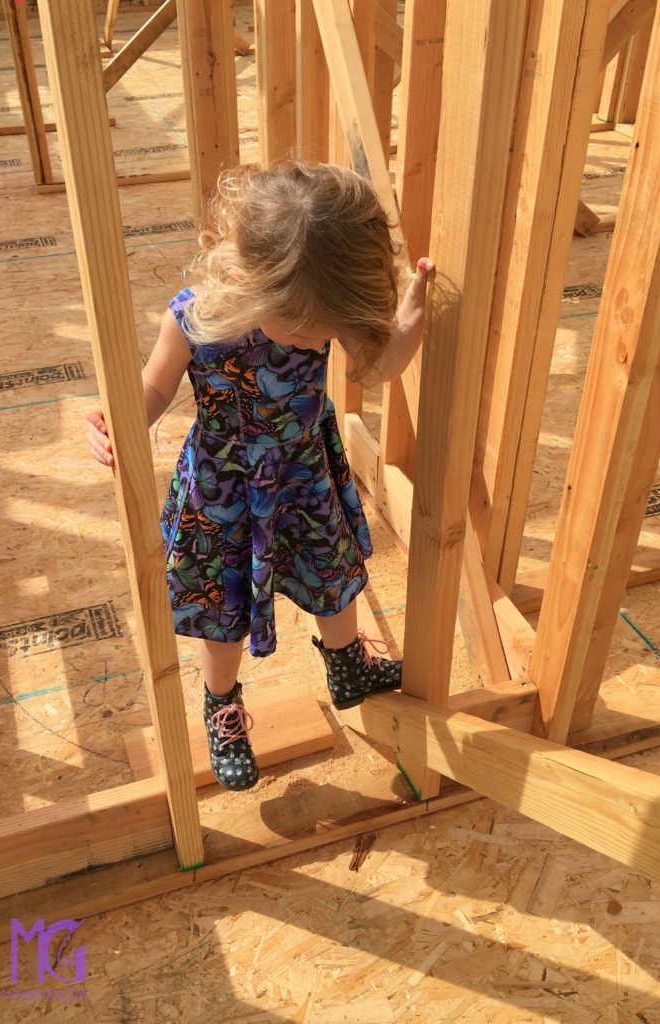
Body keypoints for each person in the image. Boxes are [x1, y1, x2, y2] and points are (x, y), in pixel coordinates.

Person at [87, 160, 433, 792]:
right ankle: (222, 704)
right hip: (222, 489)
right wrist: (116, 421)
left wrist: (410, 315)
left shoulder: (322, 299)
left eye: (323, 331)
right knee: (221, 610)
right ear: (250, 279)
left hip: (303, 475)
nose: (312, 341)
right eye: (301, 327)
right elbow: (154, 386)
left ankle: (346, 663)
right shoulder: (194, 318)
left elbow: (381, 363)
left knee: (334, 574)